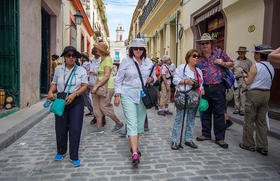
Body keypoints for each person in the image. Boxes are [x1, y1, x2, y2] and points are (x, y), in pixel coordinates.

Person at [114, 38, 155, 166]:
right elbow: (118, 79)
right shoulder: (126, 62)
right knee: (132, 122)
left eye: (141, 48)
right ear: (131, 49)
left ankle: (134, 146)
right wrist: (117, 95)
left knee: (139, 124)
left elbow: (154, 77)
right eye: (135, 48)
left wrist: (152, 79)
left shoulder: (148, 62)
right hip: (127, 94)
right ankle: (135, 153)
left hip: (142, 95)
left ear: (144, 50)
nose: (138, 50)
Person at [48, 46, 88, 167]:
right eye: (68, 55)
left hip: (76, 100)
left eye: (73, 55)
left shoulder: (81, 70)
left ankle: (74, 155)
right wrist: (50, 92)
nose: (71, 57)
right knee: (60, 127)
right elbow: (54, 83)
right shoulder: (59, 69)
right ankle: (61, 151)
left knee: (75, 128)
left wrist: (75, 94)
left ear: (76, 57)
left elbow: (84, 86)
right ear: (64, 57)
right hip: (61, 100)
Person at [196, 33, 233, 149]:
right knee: (205, 111)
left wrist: (223, 63)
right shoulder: (199, 58)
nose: (204, 45)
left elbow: (231, 63)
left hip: (218, 87)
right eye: (202, 43)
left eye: (206, 43)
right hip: (205, 88)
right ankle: (206, 134)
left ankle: (220, 138)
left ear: (211, 44)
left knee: (219, 113)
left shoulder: (220, 53)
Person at [239, 44, 275, 156]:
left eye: (255, 53)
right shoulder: (271, 67)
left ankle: (248, 143)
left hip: (254, 94)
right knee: (261, 121)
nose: (254, 55)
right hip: (266, 94)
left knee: (249, 119)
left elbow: (248, 82)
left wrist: (245, 76)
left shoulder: (256, 66)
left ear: (259, 55)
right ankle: (263, 146)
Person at [171, 49, 204, 150]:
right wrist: (186, 81)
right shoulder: (182, 68)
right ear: (188, 57)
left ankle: (188, 139)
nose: (196, 58)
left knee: (191, 119)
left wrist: (202, 89)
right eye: (194, 56)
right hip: (183, 96)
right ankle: (175, 140)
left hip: (194, 97)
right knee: (179, 119)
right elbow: (175, 80)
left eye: (198, 56)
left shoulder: (198, 71)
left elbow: (201, 83)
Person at [90, 42, 123, 134]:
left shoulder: (107, 59)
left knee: (104, 107)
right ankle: (99, 128)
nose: (95, 50)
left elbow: (107, 75)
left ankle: (118, 123)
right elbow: (103, 73)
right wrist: (95, 74)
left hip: (107, 86)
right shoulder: (102, 59)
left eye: (96, 48)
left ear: (100, 50)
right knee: (96, 107)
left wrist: (96, 86)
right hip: (100, 85)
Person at [232, 46, 252, 116]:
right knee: (236, 94)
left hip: (244, 79)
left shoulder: (248, 62)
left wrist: (248, 79)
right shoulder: (234, 61)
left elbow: (250, 71)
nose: (241, 53)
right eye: (240, 52)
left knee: (243, 95)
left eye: (243, 52)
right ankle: (236, 109)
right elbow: (232, 70)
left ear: (245, 53)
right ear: (238, 53)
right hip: (236, 80)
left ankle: (242, 110)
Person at [80, 52, 93, 117]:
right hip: (87, 82)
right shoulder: (88, 63)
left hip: (85, 82)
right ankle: (82, 109)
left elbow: (82, 73)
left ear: (83, 58)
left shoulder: (85, 65)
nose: (80, 58)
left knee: (86, 97)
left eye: (81, 57)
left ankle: (92, 110)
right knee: (83, 97)